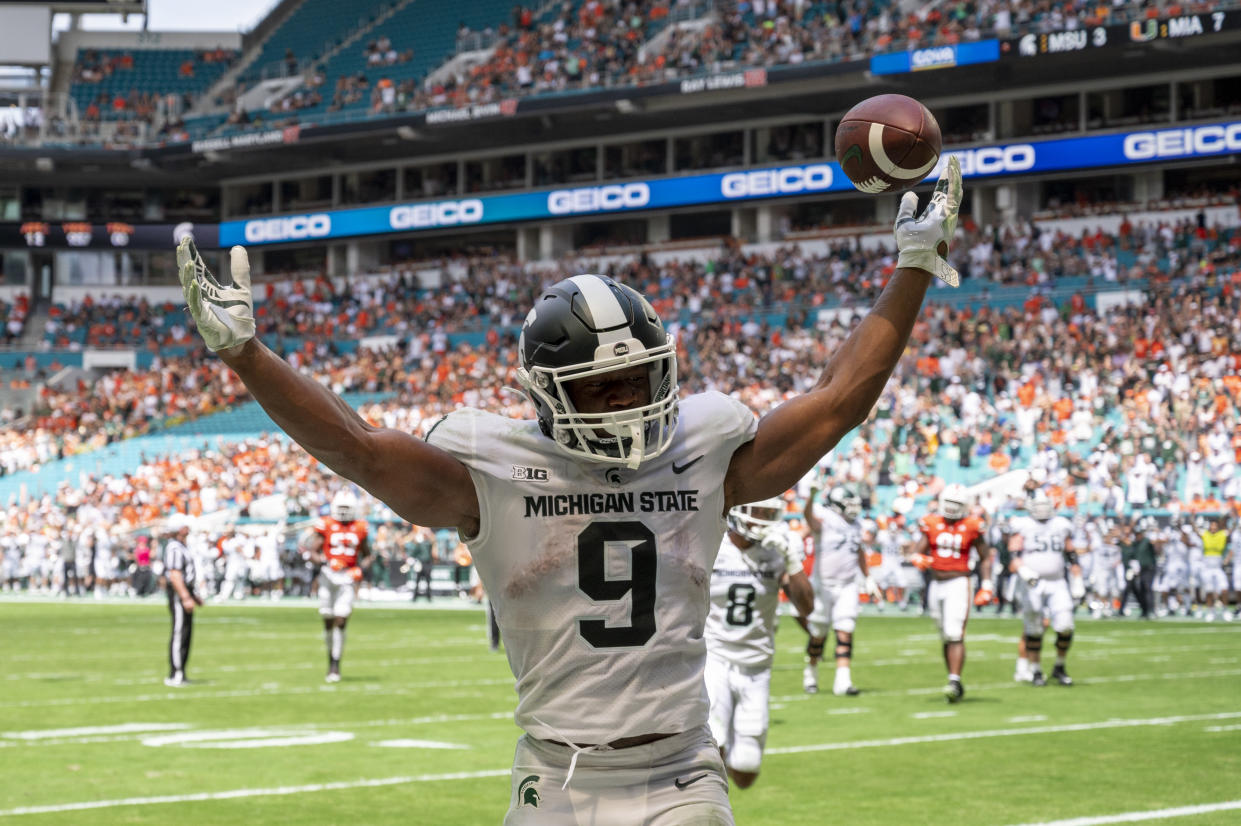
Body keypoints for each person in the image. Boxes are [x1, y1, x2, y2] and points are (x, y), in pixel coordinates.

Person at [175, 157, 962, 824]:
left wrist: (913, 266)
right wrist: (246, 355)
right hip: (556, 777)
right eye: (599, 388)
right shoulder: (491, 471)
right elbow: (357, 449)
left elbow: (838, 400)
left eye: (636, 379)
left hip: (682, 769)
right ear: (549, 394)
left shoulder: (705, 447)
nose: (625, 399)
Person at [704, 498, 813, 788]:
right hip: (714, 656)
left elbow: (806, 607)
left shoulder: (777, 553)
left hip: (758, 664)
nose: (763, 521)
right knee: (711, 745)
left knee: (746, 771)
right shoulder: (713, 546)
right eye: (759, 514)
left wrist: (792, 560)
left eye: (768, 514)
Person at [908, 483, 990, 703]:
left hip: (959, 582)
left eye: (956, 504)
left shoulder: (973, 525)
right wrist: (917, 558)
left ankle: (954, 680)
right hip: (936, 583)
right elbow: (918, 549)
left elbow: (985, 556)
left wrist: (987, 584)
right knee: (945, 635)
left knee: (954, 634)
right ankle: (954, 679)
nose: (952, 508)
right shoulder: (932, 522)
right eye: (949, 503)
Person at [801, 485, 881, 696]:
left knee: (845, 630)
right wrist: (811, 496)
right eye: (849, 505)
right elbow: (808, 518)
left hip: (847, 585)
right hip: (822, 585)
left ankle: (843, 682)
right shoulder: (825, 518)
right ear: (836, 506)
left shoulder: (857, 525)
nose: (853, 509)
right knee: (818, 634)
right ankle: (811, 671)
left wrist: (868, 578)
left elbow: (859, 552)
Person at [1007, 493, 1080, 687]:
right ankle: (1036, 670)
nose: (1041, 509)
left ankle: (1059, 665)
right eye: (1037, 505)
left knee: (1065, 625)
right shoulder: (1023, 525)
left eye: (1044, 505)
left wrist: (1077, 577)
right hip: (1032, 583)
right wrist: (1022, 569)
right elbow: (1013, 552)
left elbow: (1070, 552)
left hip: (1057, 582)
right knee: (1034, 628)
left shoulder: (1061, 524)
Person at [300, 490, 372, 682]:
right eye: (340, 508)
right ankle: (331, 657)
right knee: (328, 620)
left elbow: (368, 555)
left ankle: (335, 665)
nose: (343, 512)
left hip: (347, 577)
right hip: (328, 576)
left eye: (346, 508)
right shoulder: (327, 524)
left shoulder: (360, 527)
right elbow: (313, 551)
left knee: (341, 620)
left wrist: (360, 570)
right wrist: (325, 562)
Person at [162, 514, 200, 687]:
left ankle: (180, 671)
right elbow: (175, 575)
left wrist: (194, 596)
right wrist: (185, 596)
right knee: (179, 632)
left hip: (185, 592)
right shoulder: (174, 548)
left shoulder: (182, 546)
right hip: (179, 594)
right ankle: (176, 672)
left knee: (185, 633)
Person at [1197, 516, 1230, 621]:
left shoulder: (1222, 535)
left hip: (1218, 568)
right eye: (1212, 525)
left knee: (1224, 589)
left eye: (1215, 526)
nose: (1214, 528)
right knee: (1209, 590)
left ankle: (1225, 610)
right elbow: (1196, 530)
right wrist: (1192, 518)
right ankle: (1211, 612)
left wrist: (1227, 518)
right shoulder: (1205, 535)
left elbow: (1231, 530)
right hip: (1207, 568)